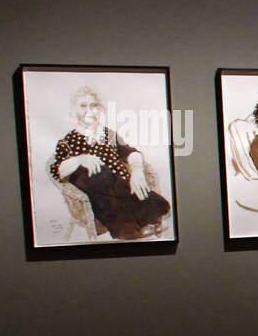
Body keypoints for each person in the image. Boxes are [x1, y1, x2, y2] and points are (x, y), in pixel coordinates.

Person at [48, 85, 171, 240]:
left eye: (93, 105)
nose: (89, 110)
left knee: (160, 206)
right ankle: (134, 219)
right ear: (73, 111)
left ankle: (131, 220)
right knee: (98, 173)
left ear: (99, 109)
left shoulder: (109, 135)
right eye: (83, 106)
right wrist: (80, 159)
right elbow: (58, 171)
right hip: (99, 198)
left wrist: (137, 171)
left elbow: (131, 152)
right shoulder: (67, 142)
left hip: (124, 188)